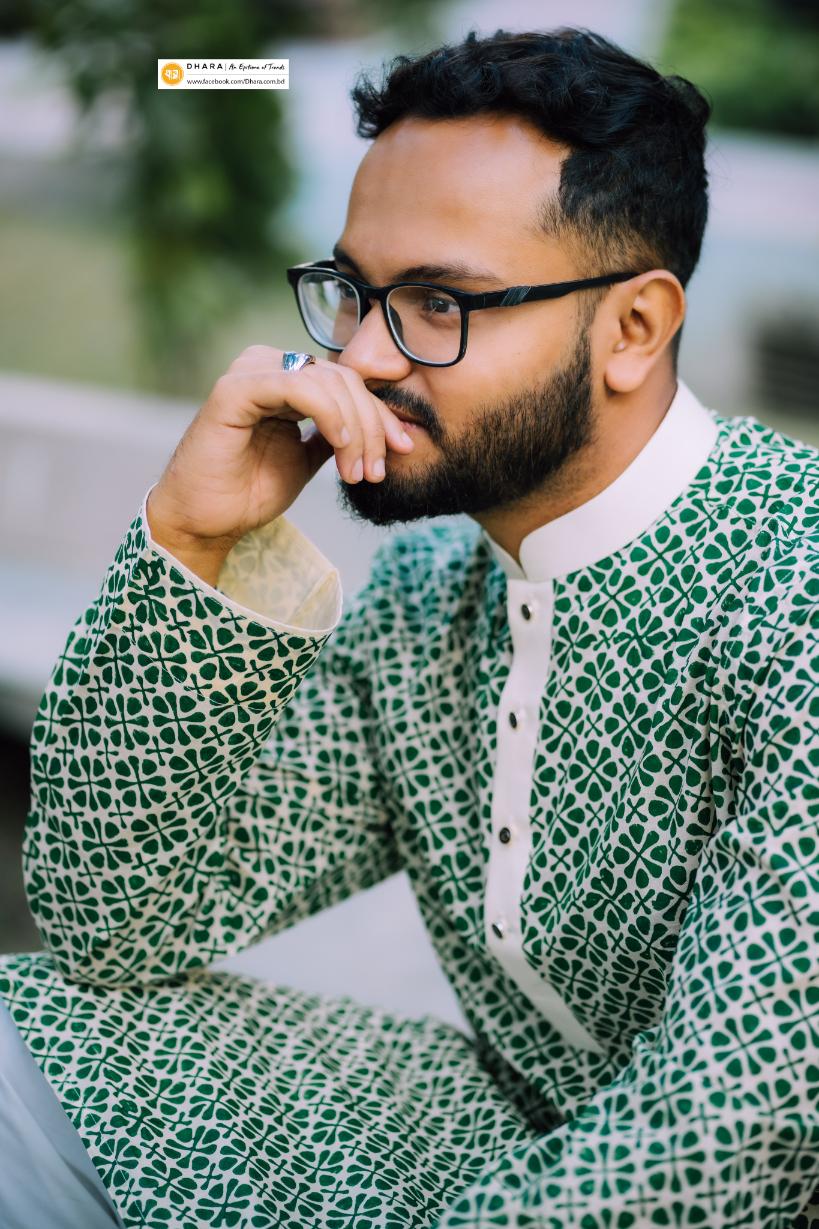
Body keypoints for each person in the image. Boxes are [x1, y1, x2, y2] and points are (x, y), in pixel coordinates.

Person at [1, 24, 817, 1229]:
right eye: (356, 293)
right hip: (490, 1133)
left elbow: (735, 1138)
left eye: (439, 302)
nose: (365, 356)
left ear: (635, 329)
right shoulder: (431, 590)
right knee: (27, 1044)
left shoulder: (796, 588)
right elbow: (113, 921)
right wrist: (191, 536)